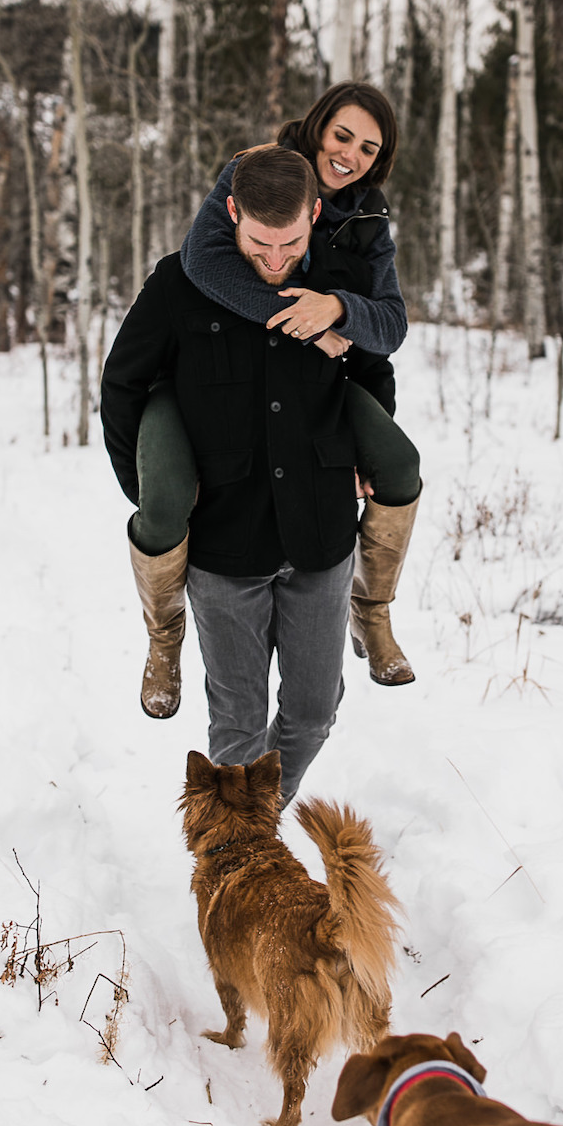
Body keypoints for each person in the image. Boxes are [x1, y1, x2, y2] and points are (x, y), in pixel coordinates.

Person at [100, 146, 394, 802]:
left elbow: (373, 371)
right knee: (235, 725)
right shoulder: (179, 284)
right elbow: (122, 384)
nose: (274, 257)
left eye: (290, 241)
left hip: (320, 534)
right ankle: (239, 872)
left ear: (315, 213)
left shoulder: (339, 283)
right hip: (224, 546)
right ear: (231, 211)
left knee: (314, 712)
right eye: (260, 241)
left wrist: (366, 458)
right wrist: (149, 493)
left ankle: (243, 829)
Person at [122, 82, 423, 719]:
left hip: (327, 362)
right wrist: (298, 321)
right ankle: (163, 636)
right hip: (215, 379)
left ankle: (372, 613)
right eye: (342, 135)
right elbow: (204, 263)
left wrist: (338, 308)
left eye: (369, 147)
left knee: (400, 464)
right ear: (316, 127)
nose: (350, 154)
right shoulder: (253, 173)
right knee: (166, 497)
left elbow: (383, 336)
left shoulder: (367, 220)